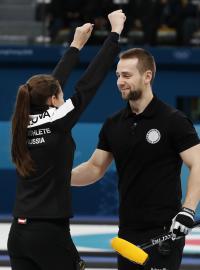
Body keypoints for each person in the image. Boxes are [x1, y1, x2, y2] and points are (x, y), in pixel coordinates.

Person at [7, 10, 126, 270]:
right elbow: (88, 84)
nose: (63, 99)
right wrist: (114, 34)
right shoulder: (58, 120)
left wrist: (76, 45)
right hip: (49, 233)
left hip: (18, 234)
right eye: (60, 96)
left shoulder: (22, 120)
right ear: (52, 101)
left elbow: (49, 86)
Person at [71, 48, 200, 269]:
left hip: (165, 230)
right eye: (118, 75)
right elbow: (94, 168)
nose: (120, 81)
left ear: (147, 76)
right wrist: (55, 179)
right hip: (128, 230)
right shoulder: (113, 124)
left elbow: (197, 162)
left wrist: (187, 210)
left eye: (127, 76)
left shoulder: (173, 120)